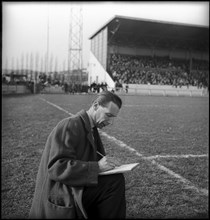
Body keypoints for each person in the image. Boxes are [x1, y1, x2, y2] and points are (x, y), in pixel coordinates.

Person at [29, 91, 126, 219]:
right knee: (113, 183)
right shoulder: (70, 124)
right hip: (61, 191)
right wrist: (97, 167)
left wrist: (109, 165)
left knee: (115, 179)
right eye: (108, 115)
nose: (109, 122)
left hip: (74, 185)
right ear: (96, 105)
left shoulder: (91, 128)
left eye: (112, 117)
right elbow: (56, 167)